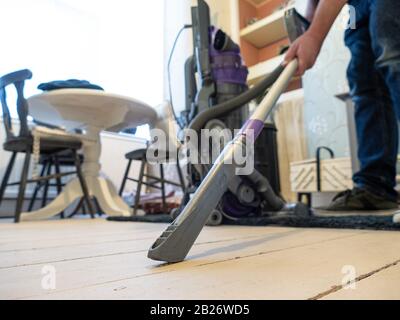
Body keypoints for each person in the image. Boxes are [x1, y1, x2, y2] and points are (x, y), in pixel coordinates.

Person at [284, 0, 400, 222]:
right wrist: (307, 27)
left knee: (393, 54)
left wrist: (314, 36)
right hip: (357, 7)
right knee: (364, 81)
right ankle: (374, 187)